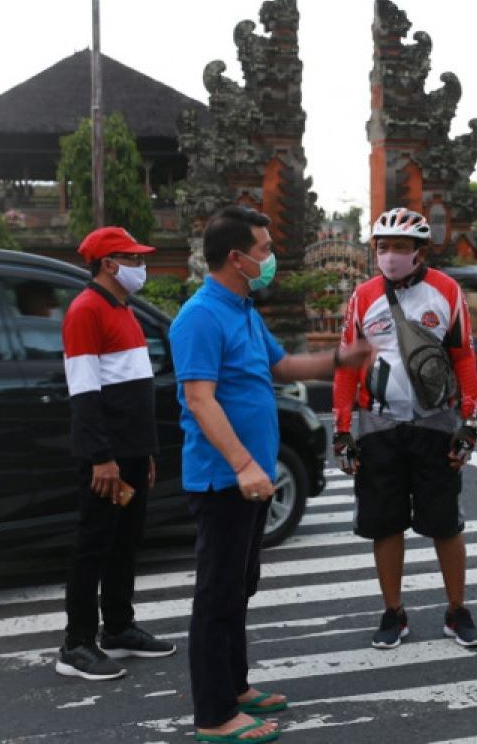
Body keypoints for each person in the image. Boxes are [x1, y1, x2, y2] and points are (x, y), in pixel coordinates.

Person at [169, 206, 370, 743]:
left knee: (239, 587)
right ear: (236, 258)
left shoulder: (242, 310)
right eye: (262, 249)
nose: (269, 258)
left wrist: (341, 359)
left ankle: (235, 688)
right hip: (224, 481)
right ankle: (214, 716)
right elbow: (199, 400)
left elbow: (280, 367)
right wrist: (242, 465)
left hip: (252, 480)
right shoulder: (199, 317)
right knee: (216, 595)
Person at [332, 207, 477, 650]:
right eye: (383, 247)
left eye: (400, 247)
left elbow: (464, 358)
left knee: (444, 524)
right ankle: (393, 612)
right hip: (378, 424)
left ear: (419, 252)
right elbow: (346, 369)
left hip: (435, 423)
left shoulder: (446, 291)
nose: (390, 255)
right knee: (385, 524)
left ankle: (457, 612)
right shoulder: (362, 297)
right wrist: (343, 430)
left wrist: (469, 422)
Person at [57, 226, 175, 681]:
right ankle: (77, 643)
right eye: (133, 258)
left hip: (130, 452)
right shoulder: (86, 310)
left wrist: (143, 454)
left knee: (125, 544)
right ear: (109, 264)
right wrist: (101, 458)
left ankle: (119, 628)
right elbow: (83, 392)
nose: (141, 267)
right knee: (93, 546)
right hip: (104, 458)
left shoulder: (121, 308)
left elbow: (132, 391)